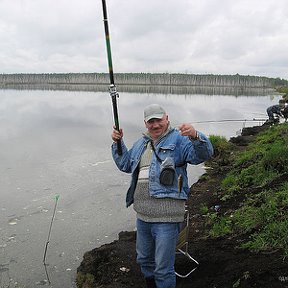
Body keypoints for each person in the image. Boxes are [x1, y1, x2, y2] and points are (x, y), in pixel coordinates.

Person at [111, 104, 213, 288]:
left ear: (167, 118)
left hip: (167, 217)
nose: (155, 125)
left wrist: (196, 136)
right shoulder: (141, 143)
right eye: (151, 122)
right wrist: (117, 143)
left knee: (163, 268)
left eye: (159, 120)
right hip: (143, 216)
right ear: (145, 123)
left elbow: (202, 155)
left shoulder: (180, 140)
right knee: (144, 260)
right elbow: (125, 164)